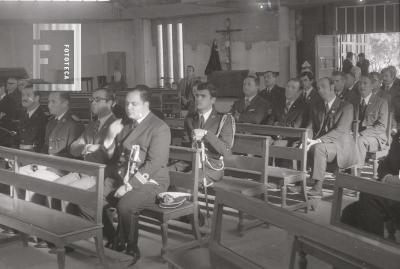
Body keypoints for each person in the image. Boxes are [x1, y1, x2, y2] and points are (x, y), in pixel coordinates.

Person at [100, 85, 171, 265]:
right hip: (124, 176)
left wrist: (128, 186)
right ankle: (114, 236)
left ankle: (132, 248)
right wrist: (110, 136)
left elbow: (154, 163)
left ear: (146, 104)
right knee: (94, 197)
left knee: (126, 206)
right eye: (127, 104)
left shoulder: (159, 127)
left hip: (152, 181)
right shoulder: (126, 124)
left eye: (134, 104)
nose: (129, 108)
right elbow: (117, 157)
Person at [341, 131, 400, 237]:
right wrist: (387, 178)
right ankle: (351, 250)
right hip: (393, 194)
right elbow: (385, 165)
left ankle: (375, 249)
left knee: (369, 197)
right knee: (349, 213)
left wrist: (398, 179)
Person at [306, 77, 357, 196]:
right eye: (318, 88)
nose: (320, 90)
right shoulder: (316, 106)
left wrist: (317, 141)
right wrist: (307, 139)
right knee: (300, 145)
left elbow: (340, 130)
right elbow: (311, 126)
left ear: (332, 87)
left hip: (340, 146)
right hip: (322, 143)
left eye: (323, 87)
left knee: (319, 148)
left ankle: (317, 188)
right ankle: (300, 184)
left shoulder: (346, 106)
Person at [184, 82, 234, 184]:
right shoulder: (190, 119)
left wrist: (207, 134)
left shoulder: (224, 119)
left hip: (212, 167)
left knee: (188, 181)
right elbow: (185, 145)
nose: (198, 99)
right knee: (164, 174)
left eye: (203, 96)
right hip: (190, 163)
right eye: (197, 96)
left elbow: (226, 152)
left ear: (213, 100)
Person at [69, 88, 117, 164]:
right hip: (85, 170)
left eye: (97, 99)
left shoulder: (116, 125)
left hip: (102, 173)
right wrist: (88, 148)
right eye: (92, 99)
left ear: (109, 103)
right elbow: (73, 148)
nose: (93, 103)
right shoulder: (92, 125)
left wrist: (84, 148)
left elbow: (106, 154)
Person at [355, 75, 388, 167]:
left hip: (376, 138)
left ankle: (357, 172)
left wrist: (361, 133)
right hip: (356, 134)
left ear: (372, 86)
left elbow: (381, 127)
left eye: (365, 83)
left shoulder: (381, 102)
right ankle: (341, 169)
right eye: (360, 83)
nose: (362, 86)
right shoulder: (354, 101)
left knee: (359, 140)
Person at [41, 92, 83, 157]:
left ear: (65, 103)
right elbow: (46, 146)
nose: (49, 105)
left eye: (53, 102)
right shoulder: (51, 121)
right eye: (49, 101)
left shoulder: (73, 124)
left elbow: (74, 154)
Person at [17, 85, 48, 153]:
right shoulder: (22, 114)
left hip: (35, 156)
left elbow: (43, 143)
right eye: (23, 95)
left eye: (28, 95)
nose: (24, 98)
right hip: (19, 155)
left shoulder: (44, 116)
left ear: (37, 98)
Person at [0, 81, 17, 148]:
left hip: (5, 134)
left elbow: (12, 116)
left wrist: (2, 117)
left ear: (2, 88)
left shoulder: (10, 100)